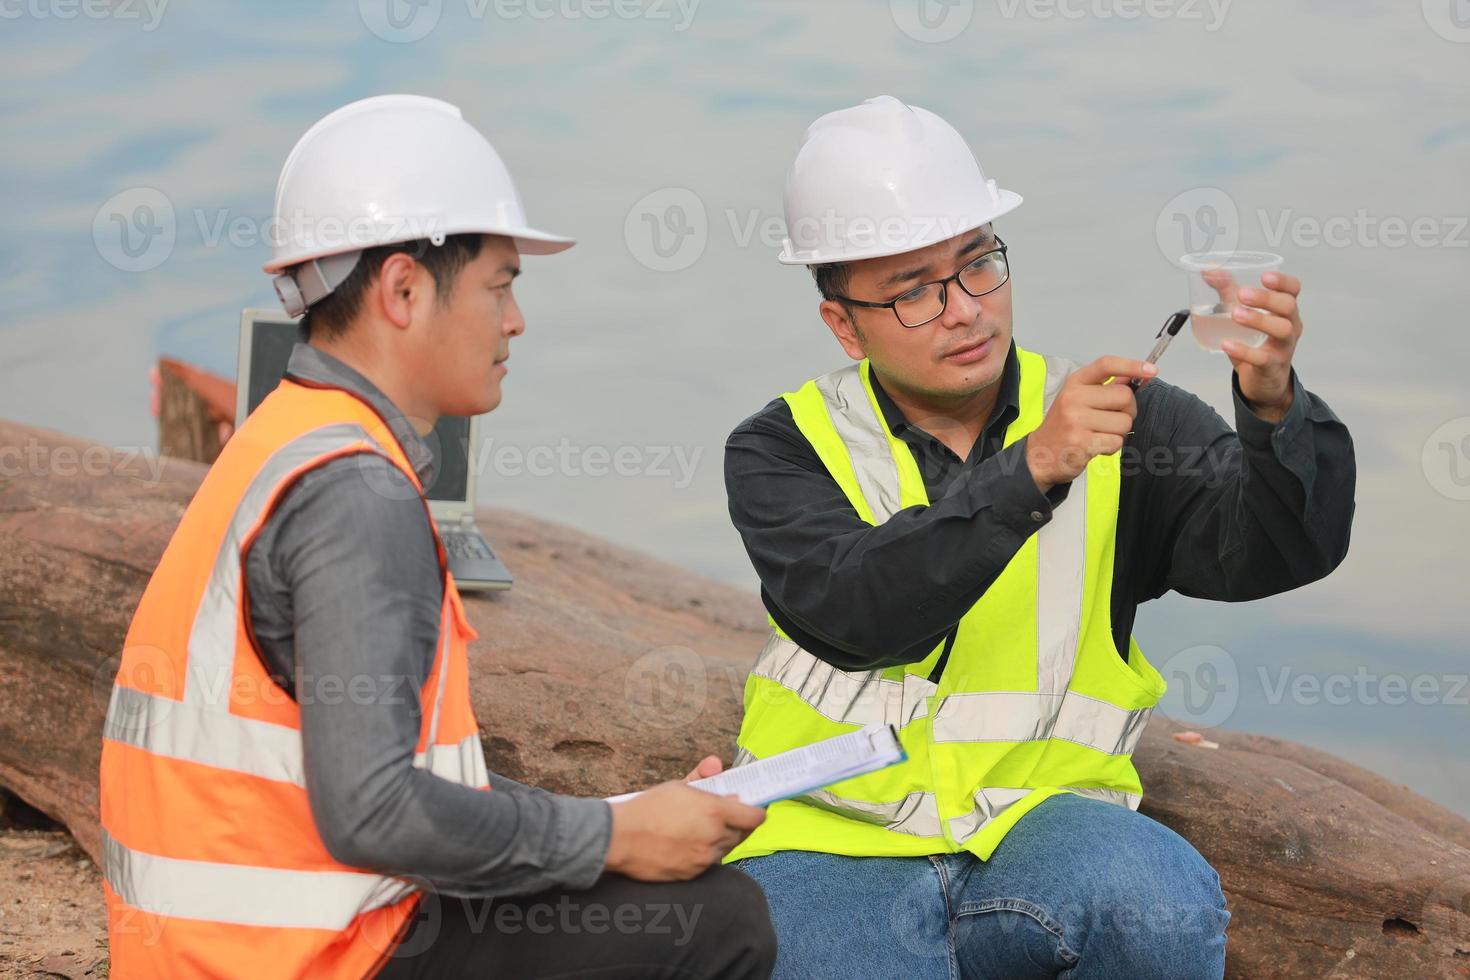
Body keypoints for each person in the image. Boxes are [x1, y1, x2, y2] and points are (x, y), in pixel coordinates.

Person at [98, 94, 775, 979]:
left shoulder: (289, 435)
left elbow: (387, 785)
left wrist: (630, 811)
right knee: (719, 920)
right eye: (501, 286)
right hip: (307, 960)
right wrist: (613, 836)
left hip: (213, 951)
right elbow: (374, 814)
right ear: (405, 290)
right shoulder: (357, 496)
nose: (515, 322)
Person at [721, 95, 1355, 979]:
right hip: (826, 843)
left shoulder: (1126, 419)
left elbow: (1277, 551)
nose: (963, 310)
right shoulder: (780, 446)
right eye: (913, 291)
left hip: (1041, 827)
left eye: (978, 264)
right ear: (843, 322)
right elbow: (855, 614)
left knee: (1157, 905)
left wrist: (1273, 405)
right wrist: (1032, 470)